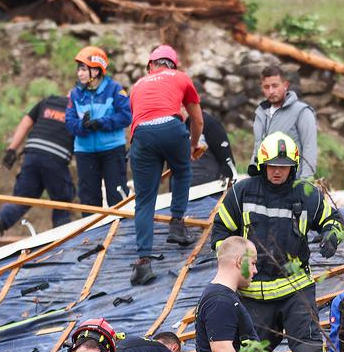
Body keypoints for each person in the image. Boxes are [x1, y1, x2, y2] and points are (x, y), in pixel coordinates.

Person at [210, 132, 344, 352]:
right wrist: (232, 261)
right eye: (272, 166)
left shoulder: (307, 194)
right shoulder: (242, 193)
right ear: (262, 165)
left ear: (293, 168)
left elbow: (334, 220)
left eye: (284, 167)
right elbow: (220, 232)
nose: (277, 172)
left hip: (296, 290)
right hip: (253, 295)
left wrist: (331, 236)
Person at [127, 44, 203, 287]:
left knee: (145, 199)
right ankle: (177, 225)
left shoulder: (137, 85)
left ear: (151, 66)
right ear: (173, 65)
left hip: (142, 135)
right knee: (182, 172)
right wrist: (191, 147)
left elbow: (139, 120)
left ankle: (143, 263)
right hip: (171, 128)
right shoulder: (180, 78)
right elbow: (198, 121)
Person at [0, 96, 76, 249]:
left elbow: (26, 122)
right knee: (62, 203)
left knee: (22, 198)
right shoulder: (79, 110)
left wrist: (12, 149)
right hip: (56, 160)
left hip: (32, 155)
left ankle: (0, 221)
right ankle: (63, 243)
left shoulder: (48, 102)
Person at [65, 46, 131, 209]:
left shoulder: (115, 90)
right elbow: (69, 122)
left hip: (112, 150)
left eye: (83, 69)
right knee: (88, 200)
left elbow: (126, 116)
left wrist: (101, 123)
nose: (79, 73)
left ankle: (122, 233)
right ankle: (91, 234)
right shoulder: (75, 94)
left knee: (118, 197)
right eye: (78, 69)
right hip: (85, 152)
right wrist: (83, 126)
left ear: (96, 70)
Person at [252, 63, 318, 180]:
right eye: (266, 87)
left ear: (285, 85)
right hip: (264, 183)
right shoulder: (260, 113)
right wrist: (253, 176)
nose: (271, 91)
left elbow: (309, 148)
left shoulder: (302, 112)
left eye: (275, 85)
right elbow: (258, 148)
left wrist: (306, 181)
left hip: (291, 183)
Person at [191, 110, 237, 186]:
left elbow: (227, 161)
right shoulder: (173, 127)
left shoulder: (208, 123)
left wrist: (223, 186)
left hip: (210, 189)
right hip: (181, 191)